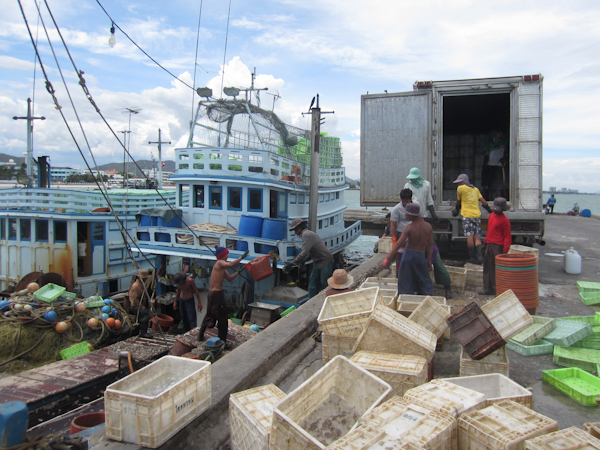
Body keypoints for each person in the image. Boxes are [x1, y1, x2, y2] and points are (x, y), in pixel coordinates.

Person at [197, 246, 247, 349]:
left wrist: (238, 272)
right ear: (223, 255)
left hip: (211, 293)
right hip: (216, 295)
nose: (228, 255)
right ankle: (222, 343)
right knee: (223, 317)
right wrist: (241, 258)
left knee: (209, 314)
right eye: (227, 254)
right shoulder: (220, 263)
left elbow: (229, 278)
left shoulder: (221, 268)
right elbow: (231, 264)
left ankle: (200, 335)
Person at [383, 203, 434, 295]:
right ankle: (427, 298)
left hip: (408, 256)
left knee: (405, 281)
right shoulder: (428, 227)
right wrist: (429, 259)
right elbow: (430, 245)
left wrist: (388, 258)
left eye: (406, 213)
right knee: (424, 280)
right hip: (420, 256)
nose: (405, 215)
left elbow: (398, 244)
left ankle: (406, 299)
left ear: (412, 215)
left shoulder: (409, 228)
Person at [284, 218, 334, 299]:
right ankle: (312, 300)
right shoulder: (308, 234)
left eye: (295, 230)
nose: (295, 233)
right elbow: (310, 251)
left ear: (299, 228)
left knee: (324, 283)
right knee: (313, 282)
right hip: (318, 262)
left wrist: (292, 263)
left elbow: (304, 252)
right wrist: (304, 260)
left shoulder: (306, 235)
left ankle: (327, 299)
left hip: (325, 260)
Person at [452, 173, 492, 264]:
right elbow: (483, 202)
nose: (458, 184)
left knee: (469, 236)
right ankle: (480, 257)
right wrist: (490, 210)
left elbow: (458, 201)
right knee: (477, 237)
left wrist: (456, 209)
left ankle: (472, 258)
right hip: (476, 216)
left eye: (459, 182)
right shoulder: (475, 189)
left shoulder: (460, 188)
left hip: (467, 216)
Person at [479, 198, 512, 295]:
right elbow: (489, 231)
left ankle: (496, 289)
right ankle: (487, 288)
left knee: (496, 269)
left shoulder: (505, 221)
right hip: (489, 245)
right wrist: (485, 244)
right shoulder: (491, 216)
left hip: (498, 247)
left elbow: (507, 237)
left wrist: (505, 251)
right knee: (487, 267)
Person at [481, 130, 509, 199]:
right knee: (488, 180)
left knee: (505, 179)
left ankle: (507, 194)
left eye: (501, 133)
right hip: (491, 163)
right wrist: (485, 163)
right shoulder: (490, 142)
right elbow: (487, 153)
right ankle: (485, 196)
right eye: (498, 133)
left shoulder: (504, 141)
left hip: (501, 163)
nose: (499, 135)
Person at [128, 269, 152, 338]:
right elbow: (135, 299)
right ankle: (143, 332)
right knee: (146, 314)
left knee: (138, 318)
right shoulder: (136, 286)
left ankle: (136, 331)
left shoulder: (141, 285)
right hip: (135, 306)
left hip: (138, 304)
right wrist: (141, 307)